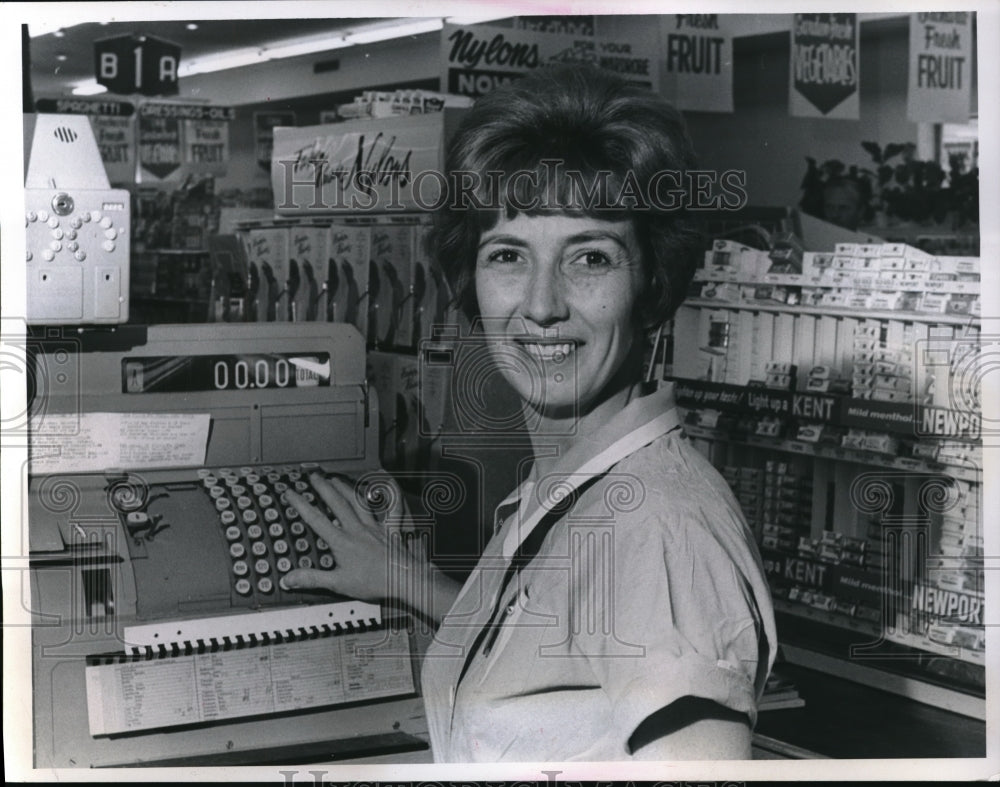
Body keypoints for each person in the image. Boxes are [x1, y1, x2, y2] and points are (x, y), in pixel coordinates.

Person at [280, 64, 777, 762]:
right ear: (471, 277)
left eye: (591, 258)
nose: (541, 304)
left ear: (653, 283)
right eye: (508, 254)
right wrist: (406, 578)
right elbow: (558, 665)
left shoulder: (660, 527)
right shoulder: (578, 487)